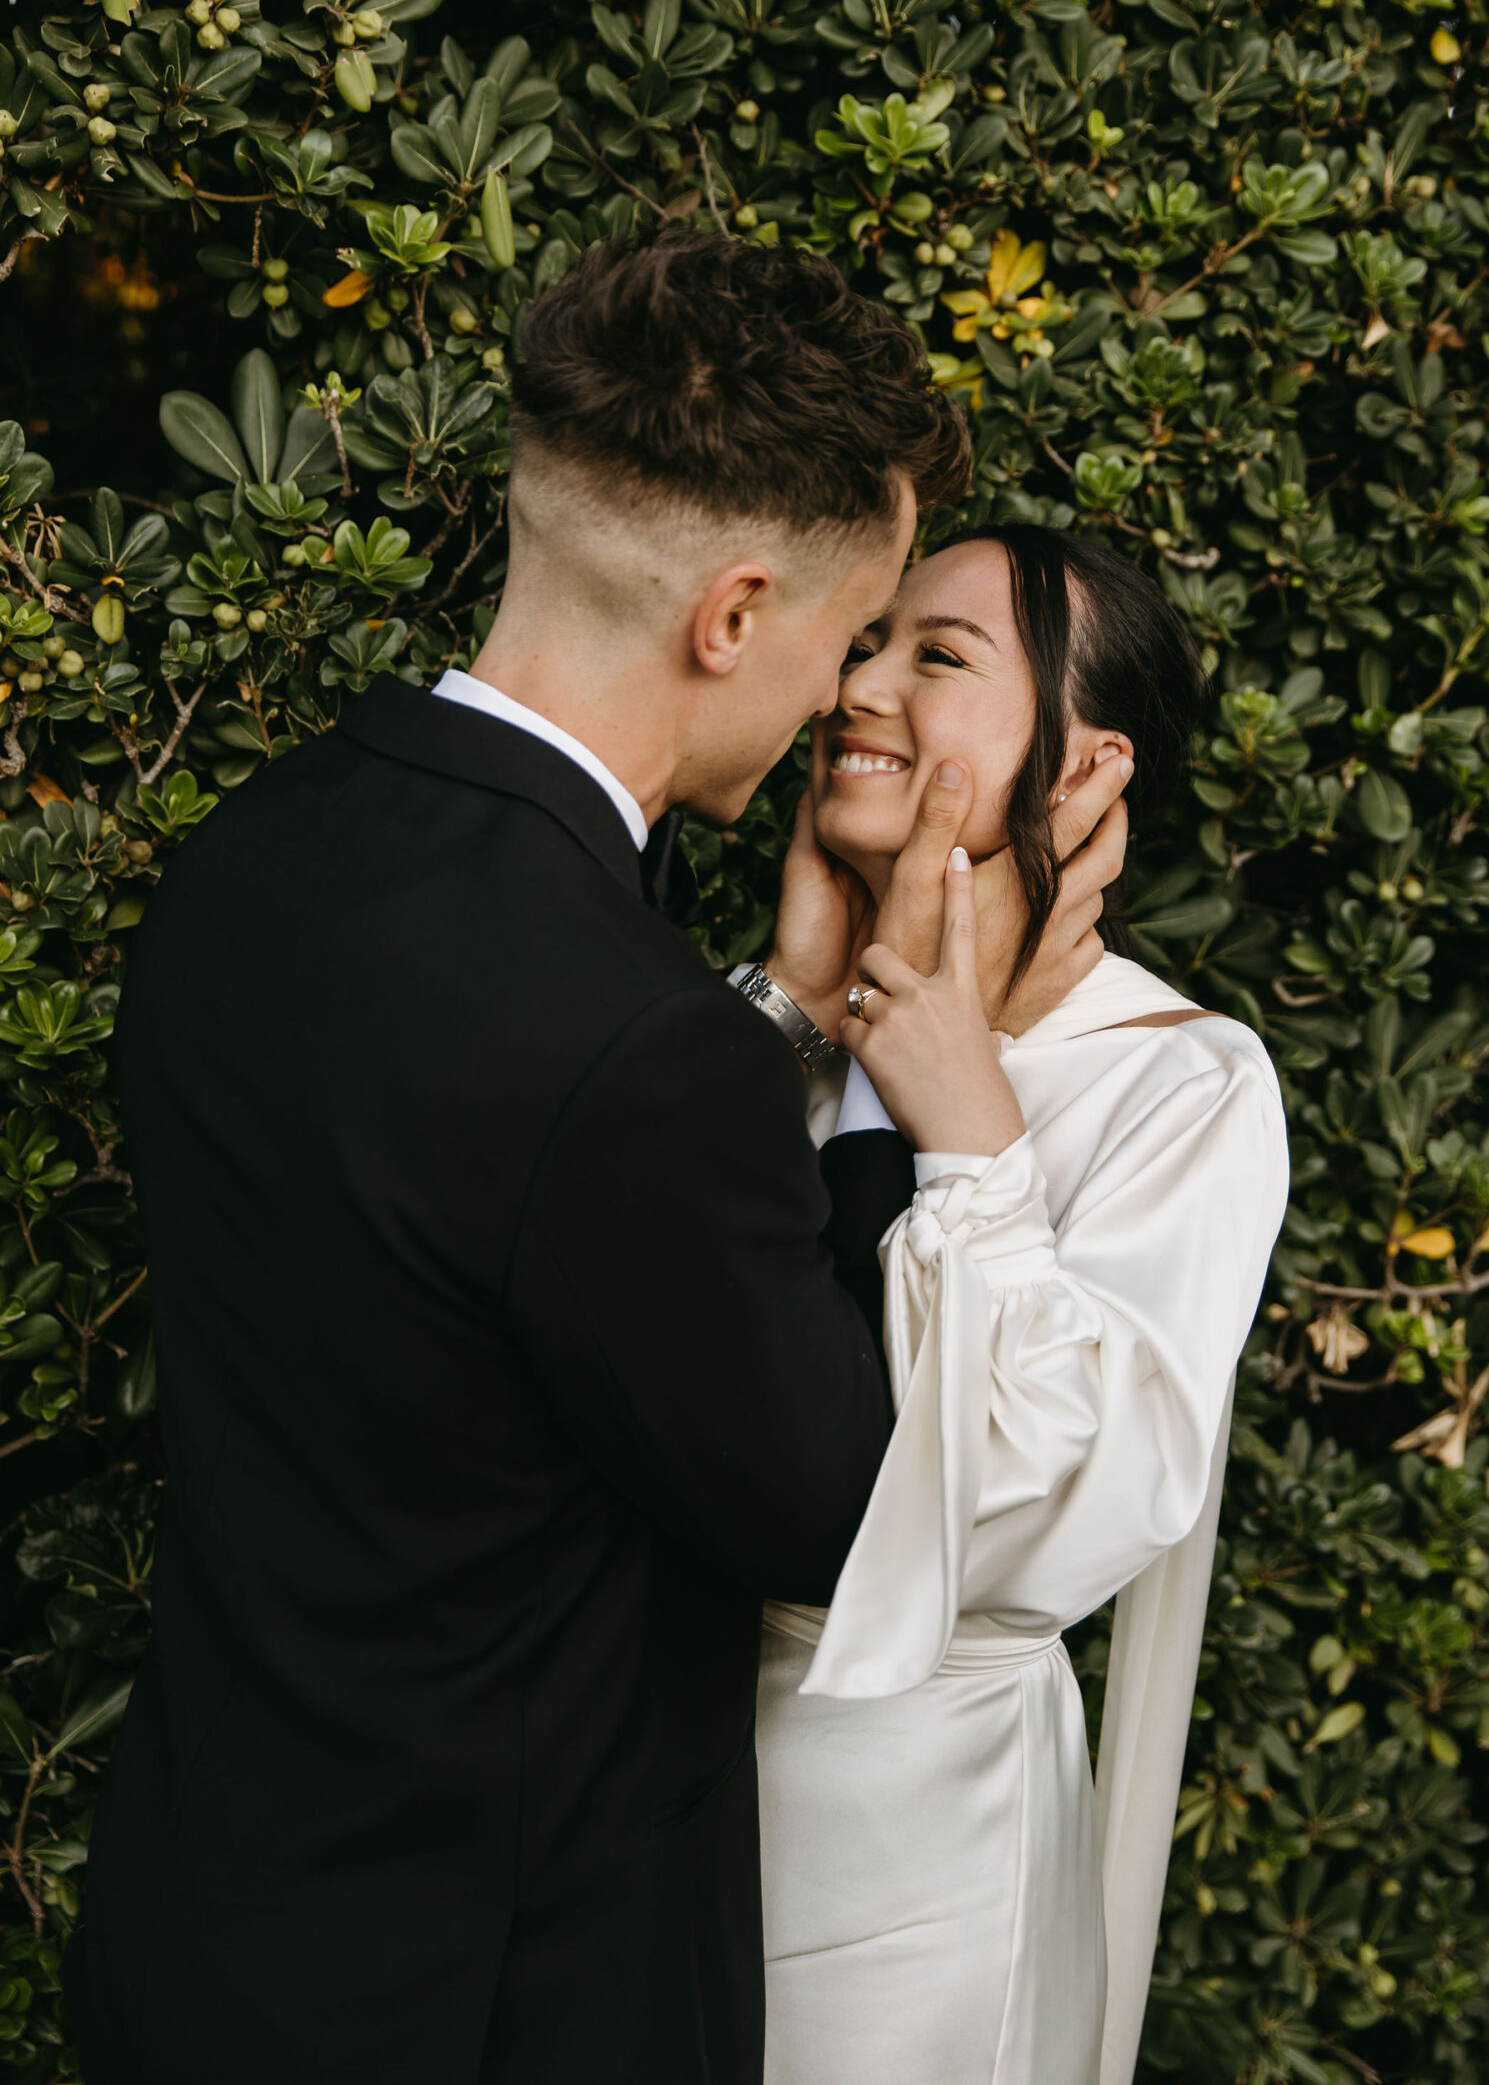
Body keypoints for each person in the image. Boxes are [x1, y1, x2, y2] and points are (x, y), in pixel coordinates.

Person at [63, 239, 1127, 2085]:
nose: (836, 700)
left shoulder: (255, 853)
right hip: (490, 1994)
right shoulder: (638, 1048)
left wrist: (775, 1020)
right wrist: (895, 1063)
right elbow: (838, 1513)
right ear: (729, 615)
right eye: (840, 633)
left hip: (205, 1920)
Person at [751, 525, 1292, 2085]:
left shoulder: (1182, 1081)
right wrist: (791, 1016)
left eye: (938, 654)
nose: (860, 682)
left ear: (1082, 767)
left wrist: (969, 1133)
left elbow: (1079, 1500)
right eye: (869, 641)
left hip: (918, 1857)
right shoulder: (788, 1026)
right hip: (650, 1785)